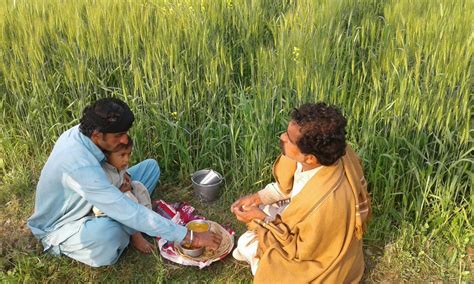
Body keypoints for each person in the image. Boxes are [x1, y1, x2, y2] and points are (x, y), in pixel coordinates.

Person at [28, 98, 221, 267]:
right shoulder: (78, 163)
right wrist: (189, 236)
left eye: (125, 133)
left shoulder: (83, 133)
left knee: (150, 167)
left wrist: (122, 174)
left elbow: (107, 175)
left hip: (98, 196)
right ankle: (120, 230)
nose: (124, 139)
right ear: (96, 135)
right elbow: (125, 208)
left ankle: (127, 219)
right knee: (111, 235)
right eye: (118, 135)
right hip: (65, 222)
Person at [230, 102, 371, 283]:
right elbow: (286, 187)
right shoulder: (328, 153)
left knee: (247, 244)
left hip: (318, 262)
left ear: (310, 158)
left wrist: (259, 220)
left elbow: (297, 250)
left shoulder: (325, 203)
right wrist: (256, 198)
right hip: (311, 231)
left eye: (289, 138)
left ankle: (256, 259)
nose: (282, 137)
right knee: (261, 218)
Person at [91, 135, 154, 253]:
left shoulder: (119, 164)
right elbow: (100, 204)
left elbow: (124, 172)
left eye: (129, 155)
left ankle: (148, 220)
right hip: (109, 207)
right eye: (122, 155)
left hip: (125, 191)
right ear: (107, 155)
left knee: (138, 185)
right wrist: (120, 193)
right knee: (127, 199)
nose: (126, 160)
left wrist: (127, 176)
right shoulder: (103, 173)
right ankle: (136, 236)